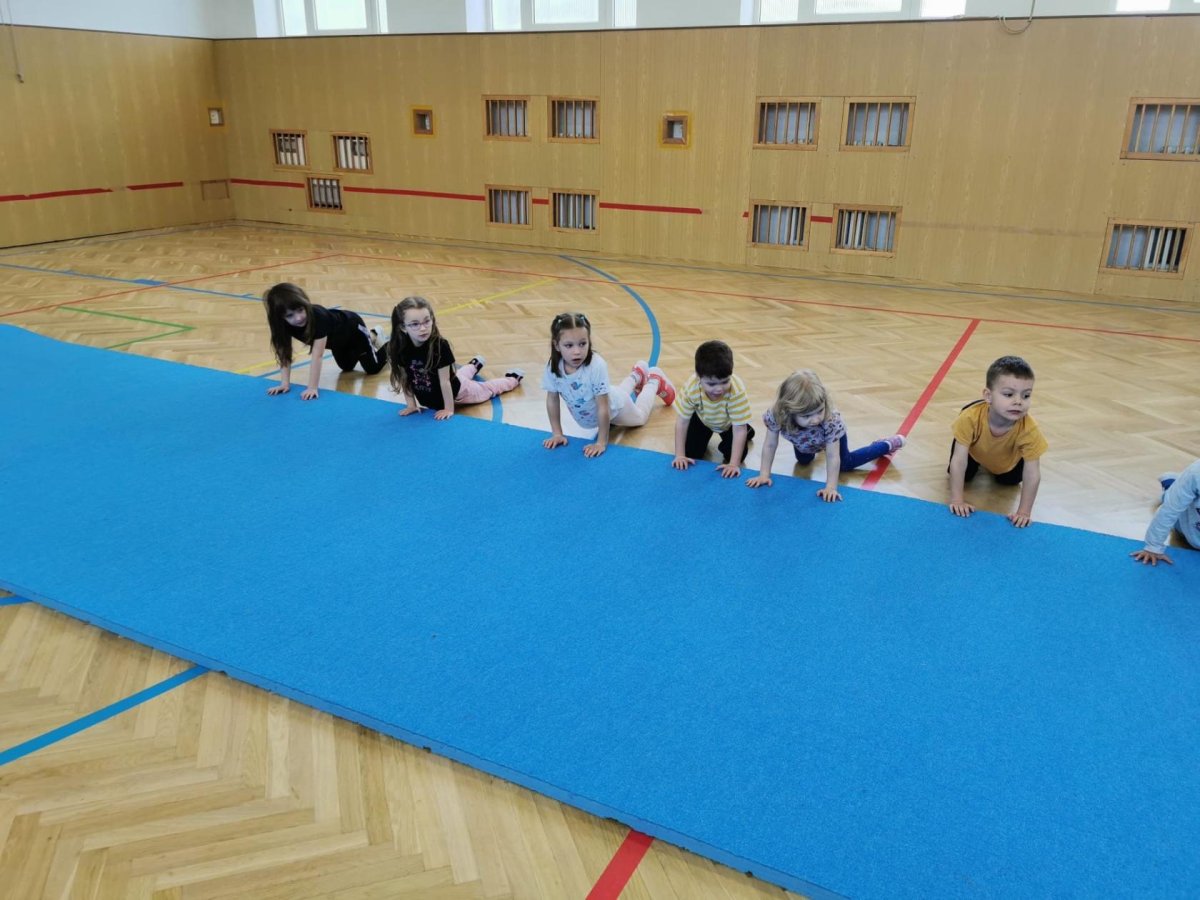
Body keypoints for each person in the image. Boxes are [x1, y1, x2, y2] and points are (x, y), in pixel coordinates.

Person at [745, 369, 904, 499]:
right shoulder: (777, 415)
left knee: (845, 464)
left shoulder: (830, 421)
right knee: (803, 460)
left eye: (819, 411)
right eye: (807, 416)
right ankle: (815, 449)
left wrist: (830, 487)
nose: (816, 419)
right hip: (803, 441)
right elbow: (770, 444)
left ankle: (885, 445)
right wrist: (764, 474)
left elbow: (833, 456)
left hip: (832, 438)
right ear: (789, 410)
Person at [541, 311, 675, 458]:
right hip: (608, 396)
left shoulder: (596, 365)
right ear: (557, 345)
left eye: (582, 344)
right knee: (617, 393)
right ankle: (637, 375)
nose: (577, 351)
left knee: (640, 417)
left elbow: (603, 406)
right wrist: (557, 433)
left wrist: (601, 442)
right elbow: (552, 400)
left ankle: (654, 381)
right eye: (569, 345)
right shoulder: (553, 367)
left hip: (616, 409)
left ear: (589, 341)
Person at [947, 355, 1047, 527]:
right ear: (988, 395)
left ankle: (994, 466)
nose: (1018, 402)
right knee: (961, 474)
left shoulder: (1029, 430)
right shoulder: (970, 418)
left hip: (1007, 462)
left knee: (1009, 481)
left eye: (1026, 395)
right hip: (973, 452)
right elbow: (959, 460)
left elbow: (1032, 473)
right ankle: (976, 457)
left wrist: (1024, 512)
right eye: (1009, 394)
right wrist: (957, 500)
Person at [388, 296, 523, 419]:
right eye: (415, 324)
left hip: (460, 392)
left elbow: (445, 382)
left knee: (487, 389)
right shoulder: (401, 348)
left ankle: (513, 379)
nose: (423, 328)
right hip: (443, 387)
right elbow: (405, 378)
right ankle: (475, 364)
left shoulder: (440, 346)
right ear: (403, 327)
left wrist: (448, 409)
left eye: (427, 321)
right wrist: (411, 405)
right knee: (459, 375)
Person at [262, 282, 387, 400]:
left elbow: (317, 356)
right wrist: (284, 384)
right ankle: (372, 337)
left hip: (354, 330)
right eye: (290, 315)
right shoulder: (280, 325)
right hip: (337, 342)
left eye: (300, 310)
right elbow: (284, 353)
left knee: (372, 369)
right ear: (280, 318)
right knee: (346, 367)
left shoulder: (319, 317)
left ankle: (389, 344)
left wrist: (312, 388)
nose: (298, 318)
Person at [671, 340, 755, 479]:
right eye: (711, 384)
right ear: (698, 377)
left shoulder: (736, 391)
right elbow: (682, 421)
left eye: (725, 381)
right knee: (690, 453)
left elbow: (739, 429)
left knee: (737, 455)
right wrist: (679, 455)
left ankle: (748, 429)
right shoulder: (692, 387)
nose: (719, 389)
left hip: (728, 424)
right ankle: (739, 426)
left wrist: (733, 464)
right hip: (702, 420)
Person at [1130, 461, 1200, 566]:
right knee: (1173, 499)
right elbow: (1170, 509)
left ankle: (1174, 484)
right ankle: (1171, 485)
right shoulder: (1195, 473)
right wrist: (1153, 547)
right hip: (1186, 524)